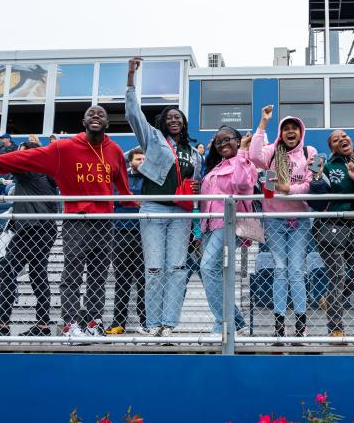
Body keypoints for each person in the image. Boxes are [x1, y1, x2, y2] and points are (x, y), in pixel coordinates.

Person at [0, 104, 134, 337]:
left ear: (107, 123)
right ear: (83, 122)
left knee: (98, 276)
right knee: (72, 273)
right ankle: (71, 325)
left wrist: (138, 205)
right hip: (76, 220)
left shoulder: (114, 151)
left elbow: (124, 187)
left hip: (104, 222)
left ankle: (94, 323)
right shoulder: (63, 148)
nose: (95, 116)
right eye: (90, 113)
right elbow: (21, 158)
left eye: (100, 114)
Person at [125, 57, 203, 337]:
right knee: (155, 269)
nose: (174, 120)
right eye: (169, 117)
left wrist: (196, 224)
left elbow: (198, 188)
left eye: (178, 118)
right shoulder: (154, 139)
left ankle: (169, 324)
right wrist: (131, 77)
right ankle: (152, 323)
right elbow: (134, 114)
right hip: (154, 208)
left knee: (177, 269)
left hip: (182, 213)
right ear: (163, 121)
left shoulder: (195, 152)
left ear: (183, 123)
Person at [0, 141, 59, 337]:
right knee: (37, 272)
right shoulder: (40, 173)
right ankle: (42, 325)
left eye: (22, 154)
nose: (18, 158)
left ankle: (4, 323)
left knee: (9, 268)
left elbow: (5, 162)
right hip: (38, 228)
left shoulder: (31, 170)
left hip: (33, 228)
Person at [249, 105, 317, 338]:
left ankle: (301, 324)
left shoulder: (311, 152)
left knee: (296, 270)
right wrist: (263, 123)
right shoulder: (272, 150)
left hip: (300, 220)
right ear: (280, 132)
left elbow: (312, 184)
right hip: (274, 219)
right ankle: (279, 323)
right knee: (280, 269)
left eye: (294, 129)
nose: (290, 132)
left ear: (300, 132)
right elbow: (254, 157)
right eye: (285, 128)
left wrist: (288, 189)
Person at [309, 129, 354, 336]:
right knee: (338, 276)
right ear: (331, 147)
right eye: (335, 139)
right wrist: (316, 176)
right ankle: (335, 328)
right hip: (329, 226)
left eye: (344, 136)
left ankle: (329, 300)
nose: (342, 140)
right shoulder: (329, 167)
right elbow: (318, 201)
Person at [200, 126, 257, 334]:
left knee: (207, 268)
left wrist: (242, 151)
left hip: (228, 223)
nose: (223, 144)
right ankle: (235, 321)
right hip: (208, 225)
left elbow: (241, 185)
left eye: (228, 139)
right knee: (214, 272)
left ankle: (224, 320)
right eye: (219, 142)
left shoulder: (245, 163)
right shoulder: (216, 167)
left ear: (238, 140)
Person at [106, 148, 147, 335]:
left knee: (144, 280)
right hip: (120, 233)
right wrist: (134, 201)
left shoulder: (152, 180)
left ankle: (146, 322)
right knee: (121, 280)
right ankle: (118, 322)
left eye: (145, 158)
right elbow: (115, 201)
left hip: (144, 234)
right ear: (130, 161)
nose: (142, 161)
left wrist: (131, 200)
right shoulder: (121, 179)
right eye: (138, 158)